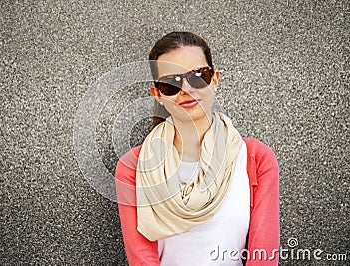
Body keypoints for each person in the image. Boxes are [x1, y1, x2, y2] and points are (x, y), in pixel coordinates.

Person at [115, 32, 279, 265]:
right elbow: (142, 259)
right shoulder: (133, 167)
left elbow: (264, 256)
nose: (187, 89)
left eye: (198, 76)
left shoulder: (256, 158)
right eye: (170, 83)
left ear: (214, 80)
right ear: (158, 95)